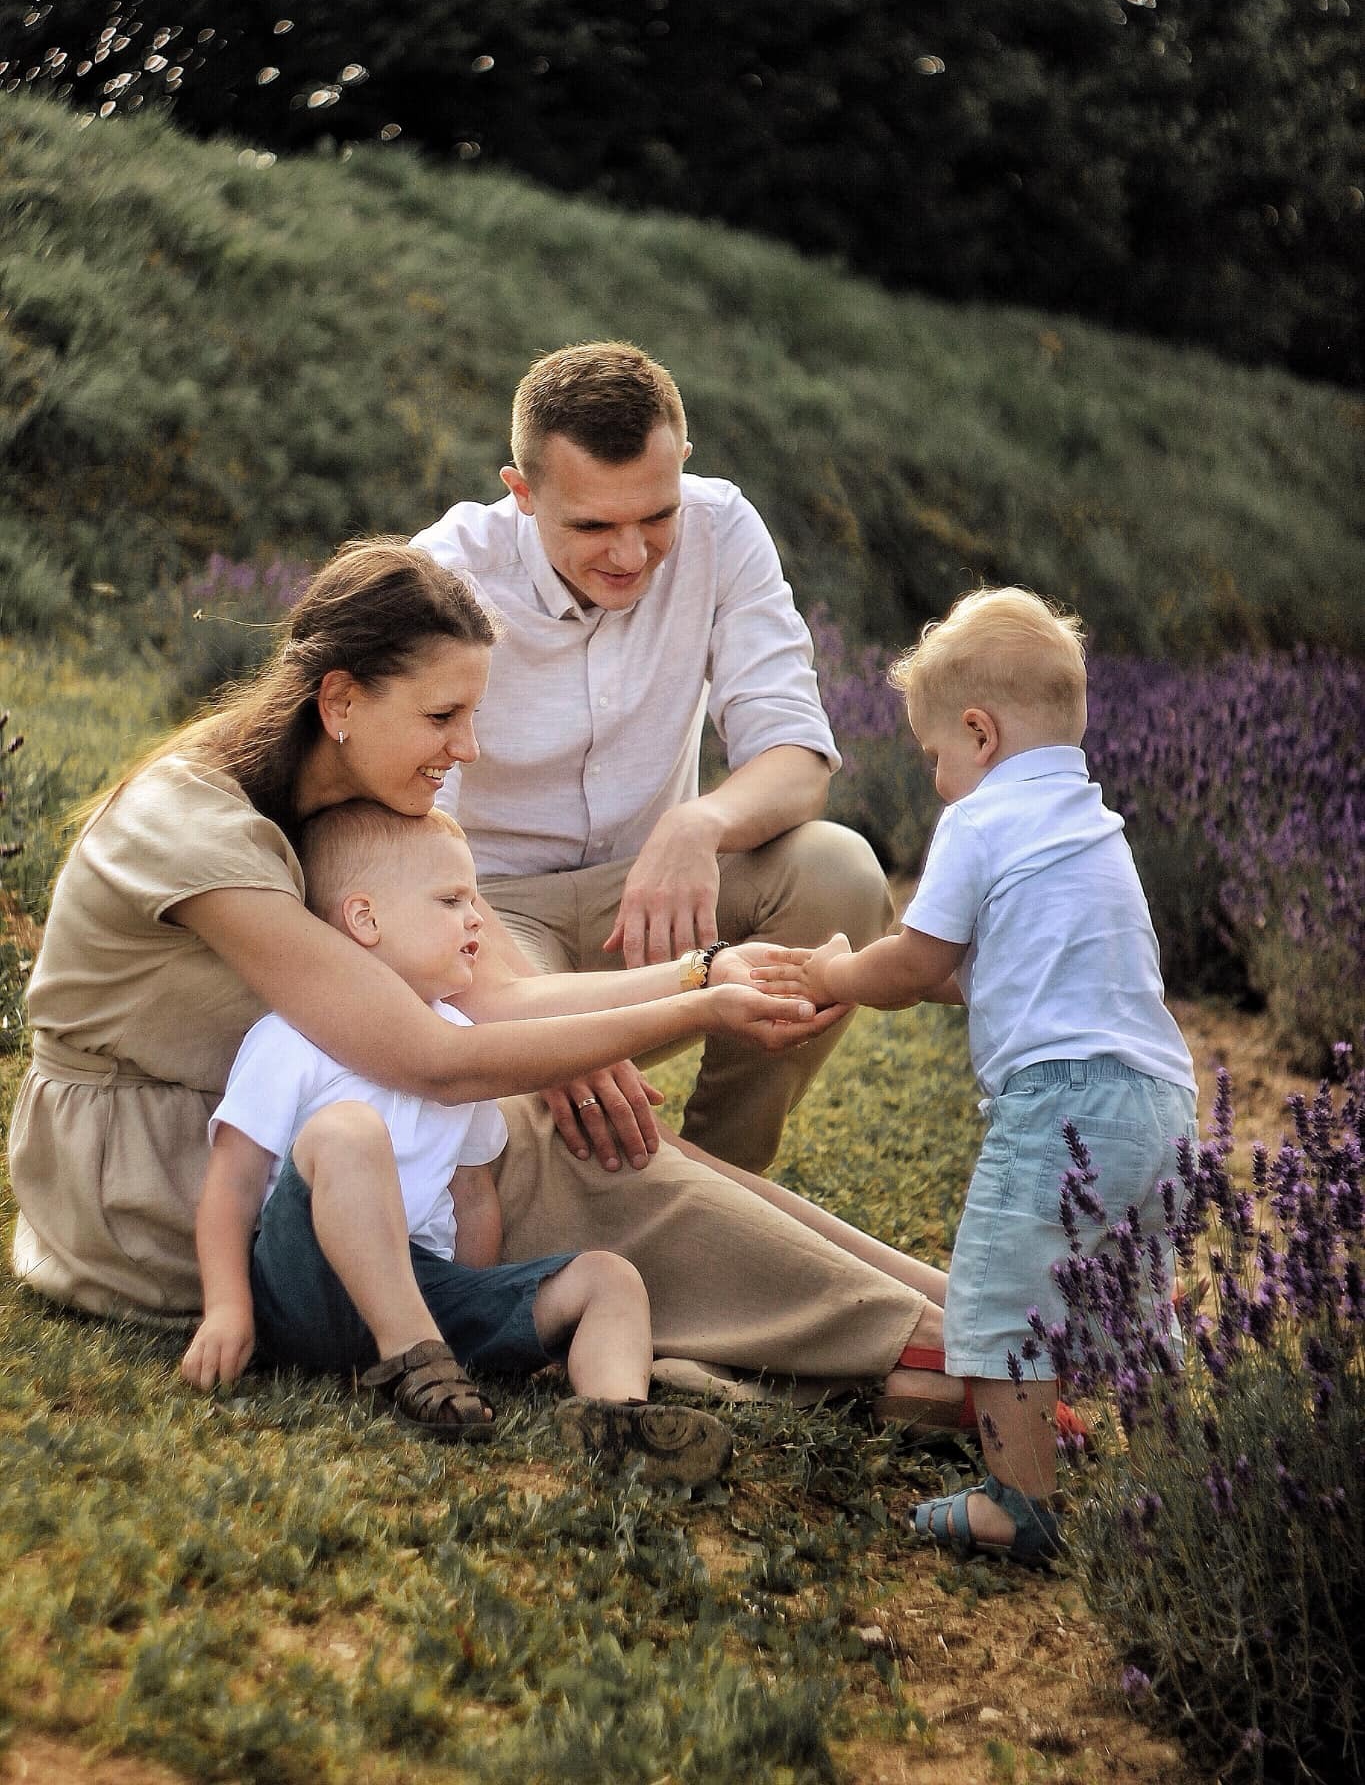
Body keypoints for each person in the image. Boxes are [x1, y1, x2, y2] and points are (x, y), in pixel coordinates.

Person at [9, 536, 959, 1429]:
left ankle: (942, 1306)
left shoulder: (352, 805)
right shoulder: (198, 821)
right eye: (440, 717)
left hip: (313, 1120)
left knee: (577, 1120)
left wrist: (700, 971)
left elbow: (492, 1000)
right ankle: (910, 1347)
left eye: (472, 714)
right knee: (540, 1135)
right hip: (153, 1171)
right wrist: (699, 1009)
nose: (466, 749)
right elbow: (437, 1056)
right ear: (338, 701)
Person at [769, 587, 1196, 1563]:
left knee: (1001, 1293)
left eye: (933, 758)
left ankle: (1020, 1501)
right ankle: (1183, 1478)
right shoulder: (1095, 825)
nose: (936, 780)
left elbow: (918, 962)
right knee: (1133, 1295)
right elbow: (995, 970)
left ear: (979, 731)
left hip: (1060, 1103)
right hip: (1163, 1101)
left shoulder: (980, 820)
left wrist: (838, 969)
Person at [412, 340, 892, 1173]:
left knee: (838, 876)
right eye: (593, 525)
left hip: (652, 905)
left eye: (655, 516)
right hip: (478, 915)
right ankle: (639, 1203)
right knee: (524, 1139)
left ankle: (728, 1179)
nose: (631, 555)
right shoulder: (442, 575)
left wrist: (697, 825)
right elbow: (410, 843)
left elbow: (796, 752)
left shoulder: (721, 525)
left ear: (685, 468)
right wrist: (555, 1030)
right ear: (521, 493)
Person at [184, 798, 734, 1483]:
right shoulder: (291, 1038)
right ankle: (414, 1354)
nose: (477, 918)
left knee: (608, 1278)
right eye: (450, 900)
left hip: (425, 1288)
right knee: (350, 1132)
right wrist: (228, 1311)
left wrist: (479, 1308)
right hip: (305, 1288)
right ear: (364, 920)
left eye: (473, 898)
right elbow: (231, 1187)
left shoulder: (465, 1042)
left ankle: (616, 1421)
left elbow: (472, 1196)